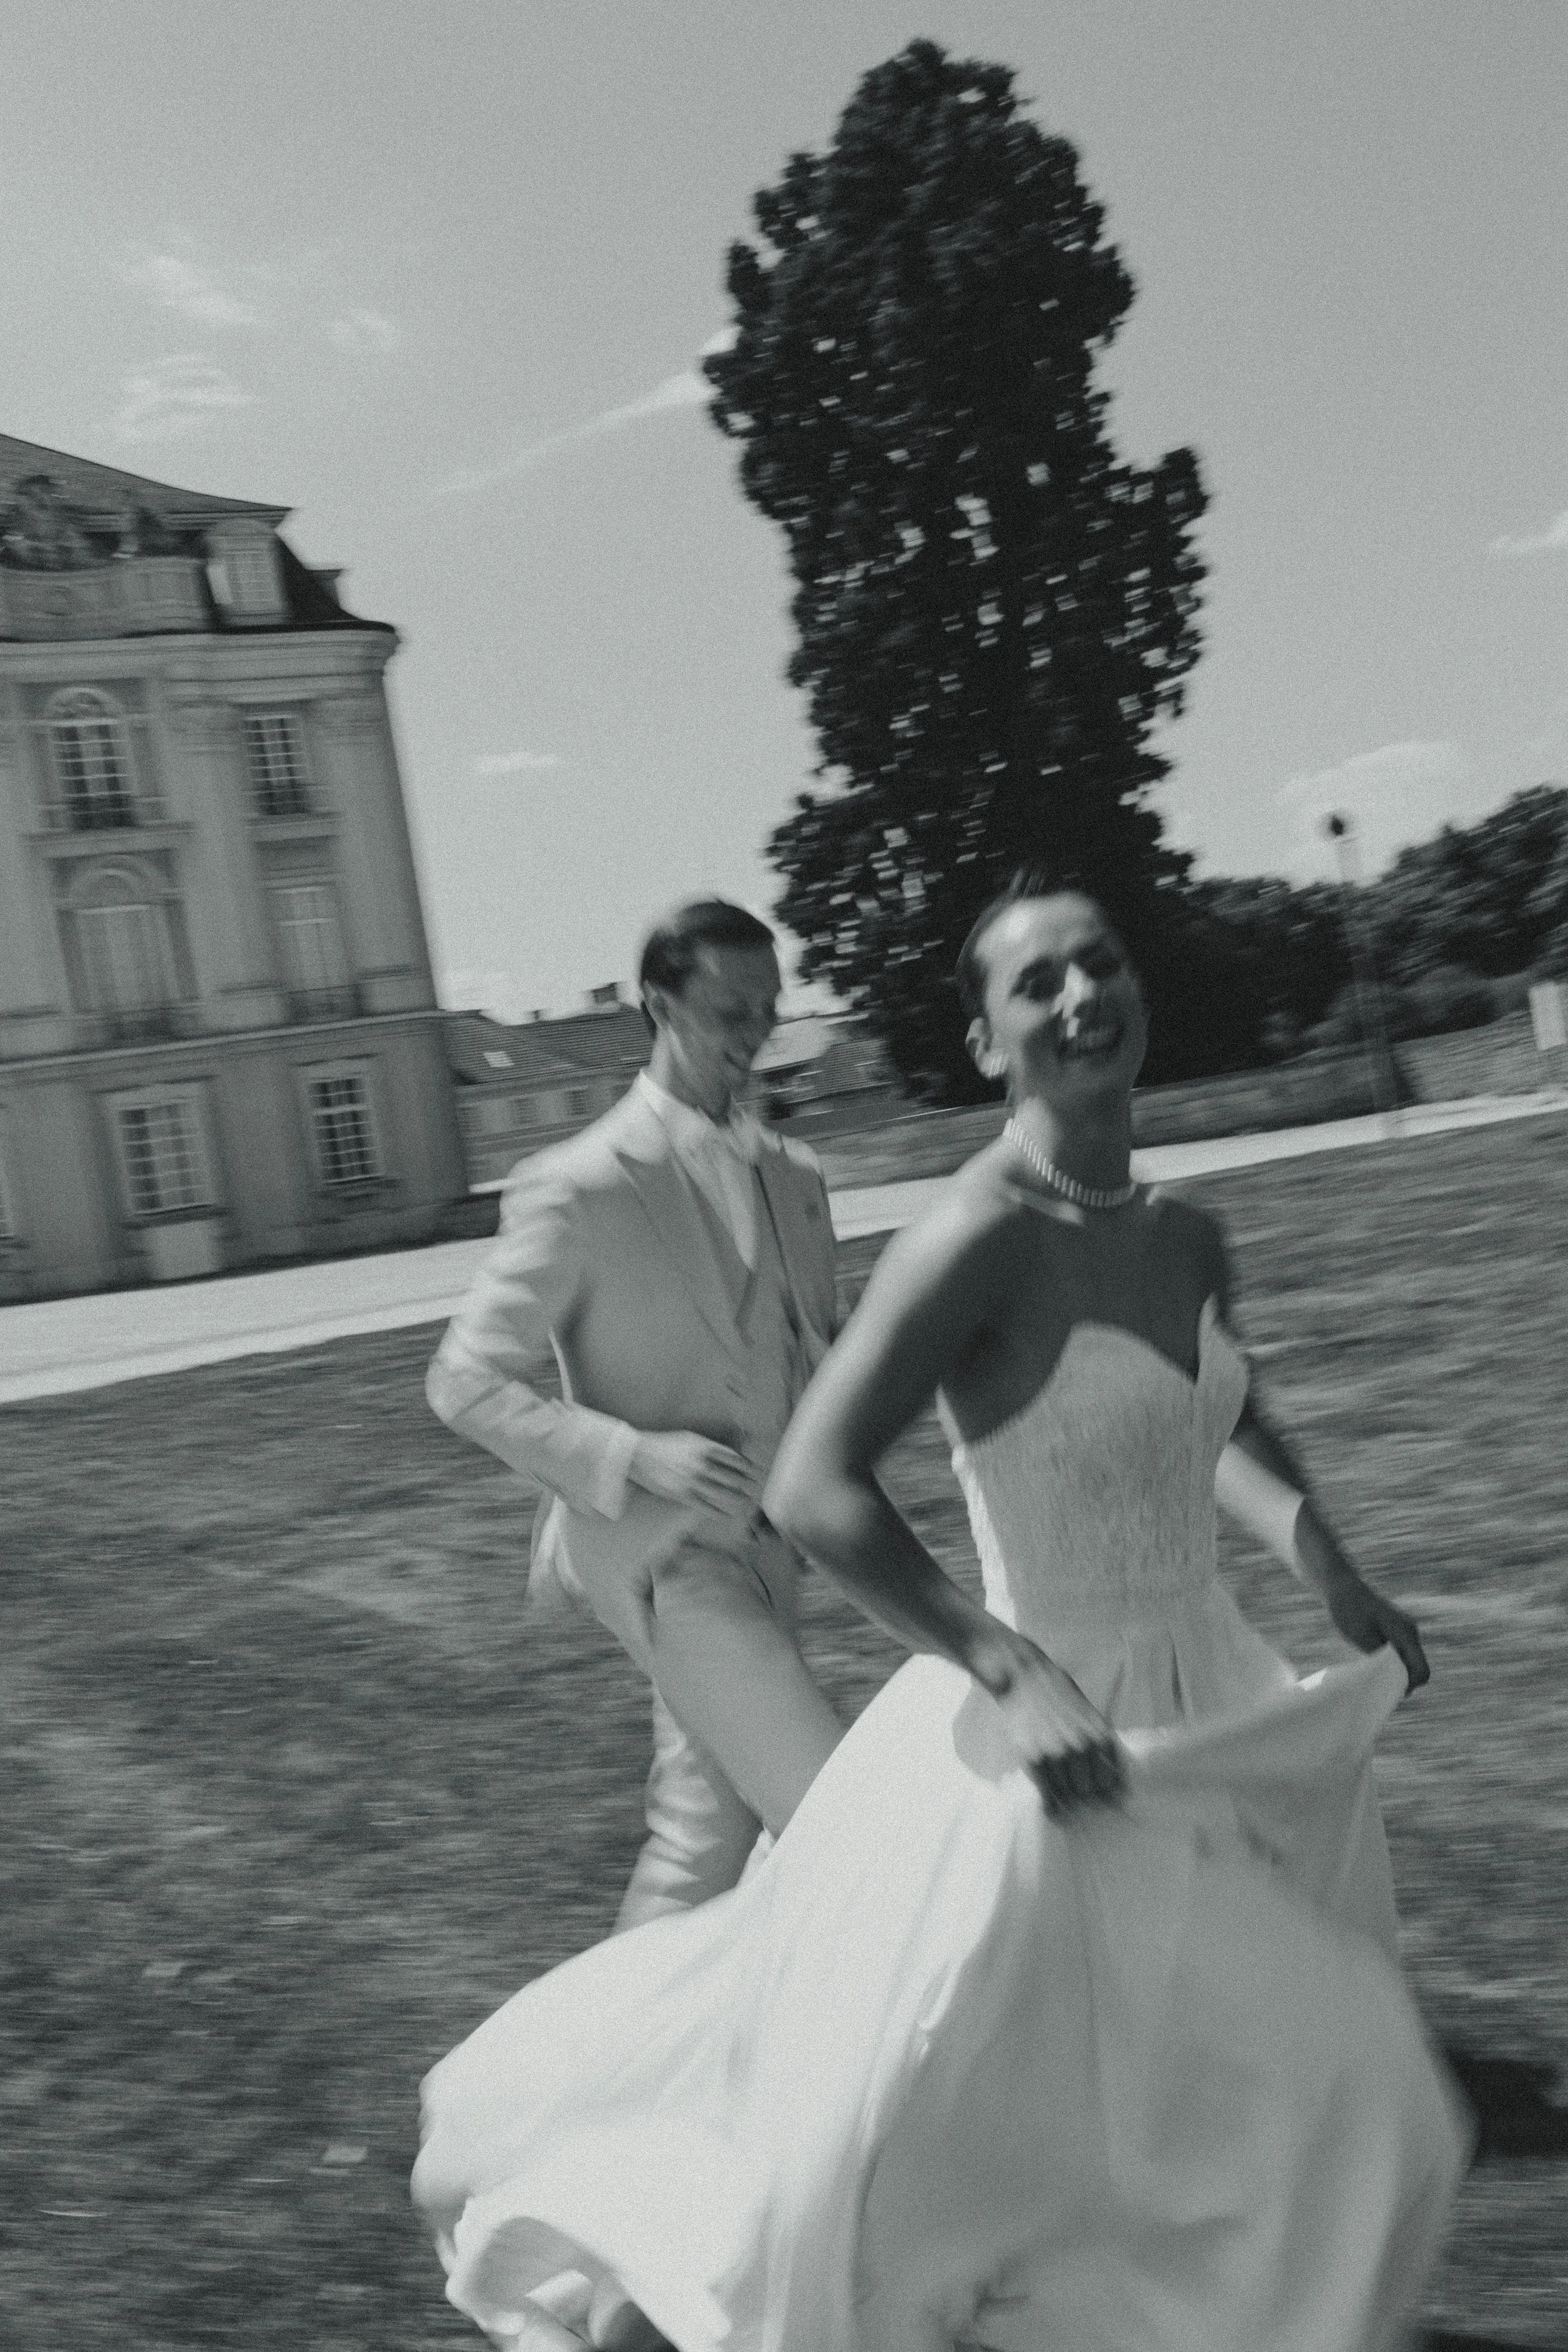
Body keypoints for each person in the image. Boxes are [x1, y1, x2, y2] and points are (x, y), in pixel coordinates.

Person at [415, 875, 1470, 2352]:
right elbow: (799, 1471)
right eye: (1036, 984)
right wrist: (1001, 1665)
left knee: (1097, 2066)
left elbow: (1214, 1410)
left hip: (1206, 1690)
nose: (1080, 997)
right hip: (973, 1680)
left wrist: (1326, 1564)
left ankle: (702, 2252)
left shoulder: (1175, 1232)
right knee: (964, 2039)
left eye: (1100, 964)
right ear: (982, 1042)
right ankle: (689, 2245)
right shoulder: (953, 1229)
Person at [426, 898, 845, 1934]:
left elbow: (814, 1351)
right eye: (732, 1009)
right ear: (659, 1003)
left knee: (706, 1834)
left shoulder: (796, 1177)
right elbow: (463, 1379)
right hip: (659, 1553)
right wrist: (630, 1452)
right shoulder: (575, 1187)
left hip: (771, 1549)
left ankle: (611, 2040)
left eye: (770, 1008)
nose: (758, 1032)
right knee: (835, 1812)